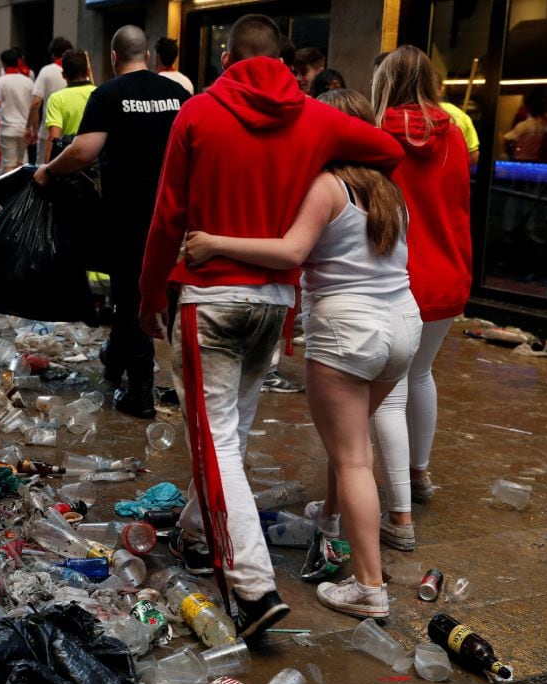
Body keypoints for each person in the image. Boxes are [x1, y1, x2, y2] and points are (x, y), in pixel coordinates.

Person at [138, 14, 403, 639]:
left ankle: (253, 588)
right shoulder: (312, 117)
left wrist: (151, 293)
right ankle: (200, 535)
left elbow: (167, 213)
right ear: (283, 57)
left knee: (215, 438)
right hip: (274, 303)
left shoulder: (199, 113)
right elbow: (388, 150)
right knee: (231, 432)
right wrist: (314, 152)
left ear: (228, 55)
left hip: (211, 300)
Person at [185, 89, 418, 620]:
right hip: (404, 322)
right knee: (351, 441)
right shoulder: (389, 190)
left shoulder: (327, 186)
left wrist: (215, 242)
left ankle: (369, 587)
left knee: (354, 457)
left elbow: (291, 251)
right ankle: (331, 518)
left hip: (348, 330)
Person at [35, 25, 189, 420]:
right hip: (176, 214)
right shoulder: (178, 95)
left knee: (132, 296)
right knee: (163, 297)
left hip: (128, 214)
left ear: (114, 57)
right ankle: (119, 362)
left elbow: (84, 150)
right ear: (150, 58)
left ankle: (140, 392)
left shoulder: (108, 94)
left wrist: (49, 171)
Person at [368, 45, 471, 554]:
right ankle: (420, 473)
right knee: (421, 373)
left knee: (389, 391)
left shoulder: (374, 133)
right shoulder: (455, 134)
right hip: (450, 273)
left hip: (399, 279)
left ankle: (399, 508)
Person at [0, 48, 34, 174]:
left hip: (7, 130)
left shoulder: (1, 81)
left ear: (3, 64)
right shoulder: (29, 82)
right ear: (18, 62)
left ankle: (9, 193)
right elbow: (34, 106)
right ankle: (20, 193)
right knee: (21, 164)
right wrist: (33, 128)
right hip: (24, 129)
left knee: (8, 164)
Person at [41, 48, 93, 163]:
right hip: (95, 163)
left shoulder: (57, 99)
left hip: (68, 162)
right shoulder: (100, 94)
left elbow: (54, 138)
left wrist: (47, 168)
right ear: (88, 71)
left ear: (63, 75)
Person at [26, 37, 73, 158]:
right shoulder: (75, 72)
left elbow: (36, 102)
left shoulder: (46, 71)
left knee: (42, 169)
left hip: (48, 130)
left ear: (53, 54)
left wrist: (31, 128)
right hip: (70, 132)